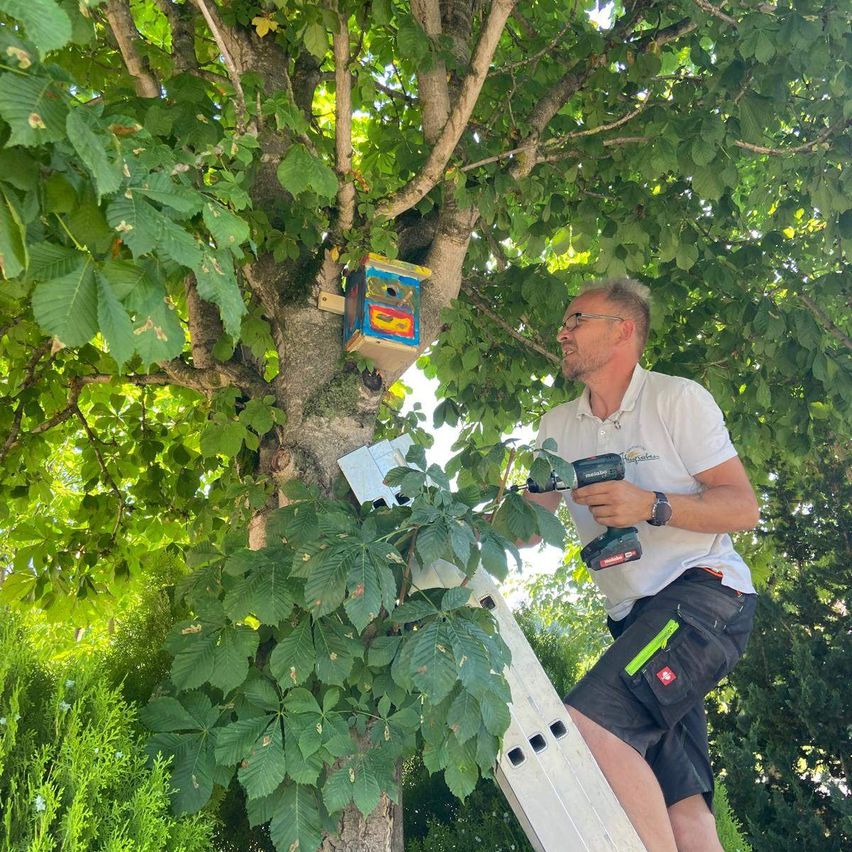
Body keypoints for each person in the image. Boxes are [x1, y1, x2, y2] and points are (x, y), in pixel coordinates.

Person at [525, 278, 759, 852]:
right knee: (683, 806)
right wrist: (443, 525)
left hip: (704, 597)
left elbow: (742, 507)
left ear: (622, 330)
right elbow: (526, 526)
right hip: (635, 621)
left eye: (577, 320)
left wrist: (650, 505)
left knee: (590, 726)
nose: (562, 332)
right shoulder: (557, 427)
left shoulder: (675, 400)